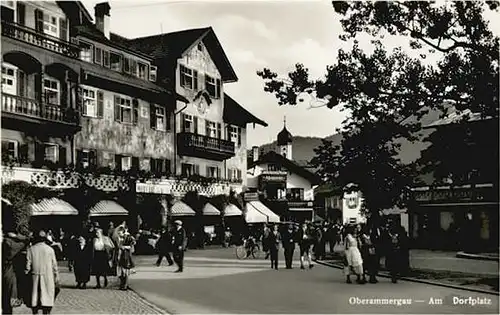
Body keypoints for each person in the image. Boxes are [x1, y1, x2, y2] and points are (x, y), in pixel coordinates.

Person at [25, 231, 59, 315]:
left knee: (35, 295)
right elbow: (54, 265)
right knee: (47, 295)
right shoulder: (50, 249)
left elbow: (27, 265)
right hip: (48, 276)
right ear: (45, 240)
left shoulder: (31, 249)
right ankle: (46, 312)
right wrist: (56, 276)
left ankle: (35, 312)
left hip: (35, 275)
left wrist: (26, 272)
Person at [2, 231, 30, 314]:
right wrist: (17, 237)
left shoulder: (6, 242)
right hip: (8, 271)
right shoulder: (10, 244)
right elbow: (27, 240)